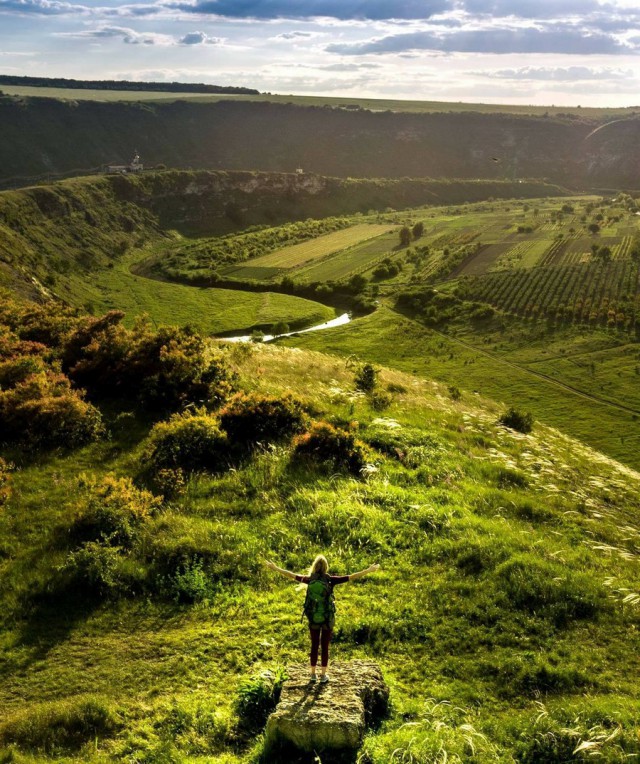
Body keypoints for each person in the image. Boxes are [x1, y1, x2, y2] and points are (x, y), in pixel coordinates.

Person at [264, 555, 380, 683]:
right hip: (327, 618)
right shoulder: (330, 580)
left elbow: (291, 575)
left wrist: (275, 568)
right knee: (325, 647)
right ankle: (323, 676)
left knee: (314, 646)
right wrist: (368, 570)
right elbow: (351, 577)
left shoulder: (309, 580)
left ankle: (313, 674)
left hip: (313, 618)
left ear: (314, 566)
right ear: (326, 567)